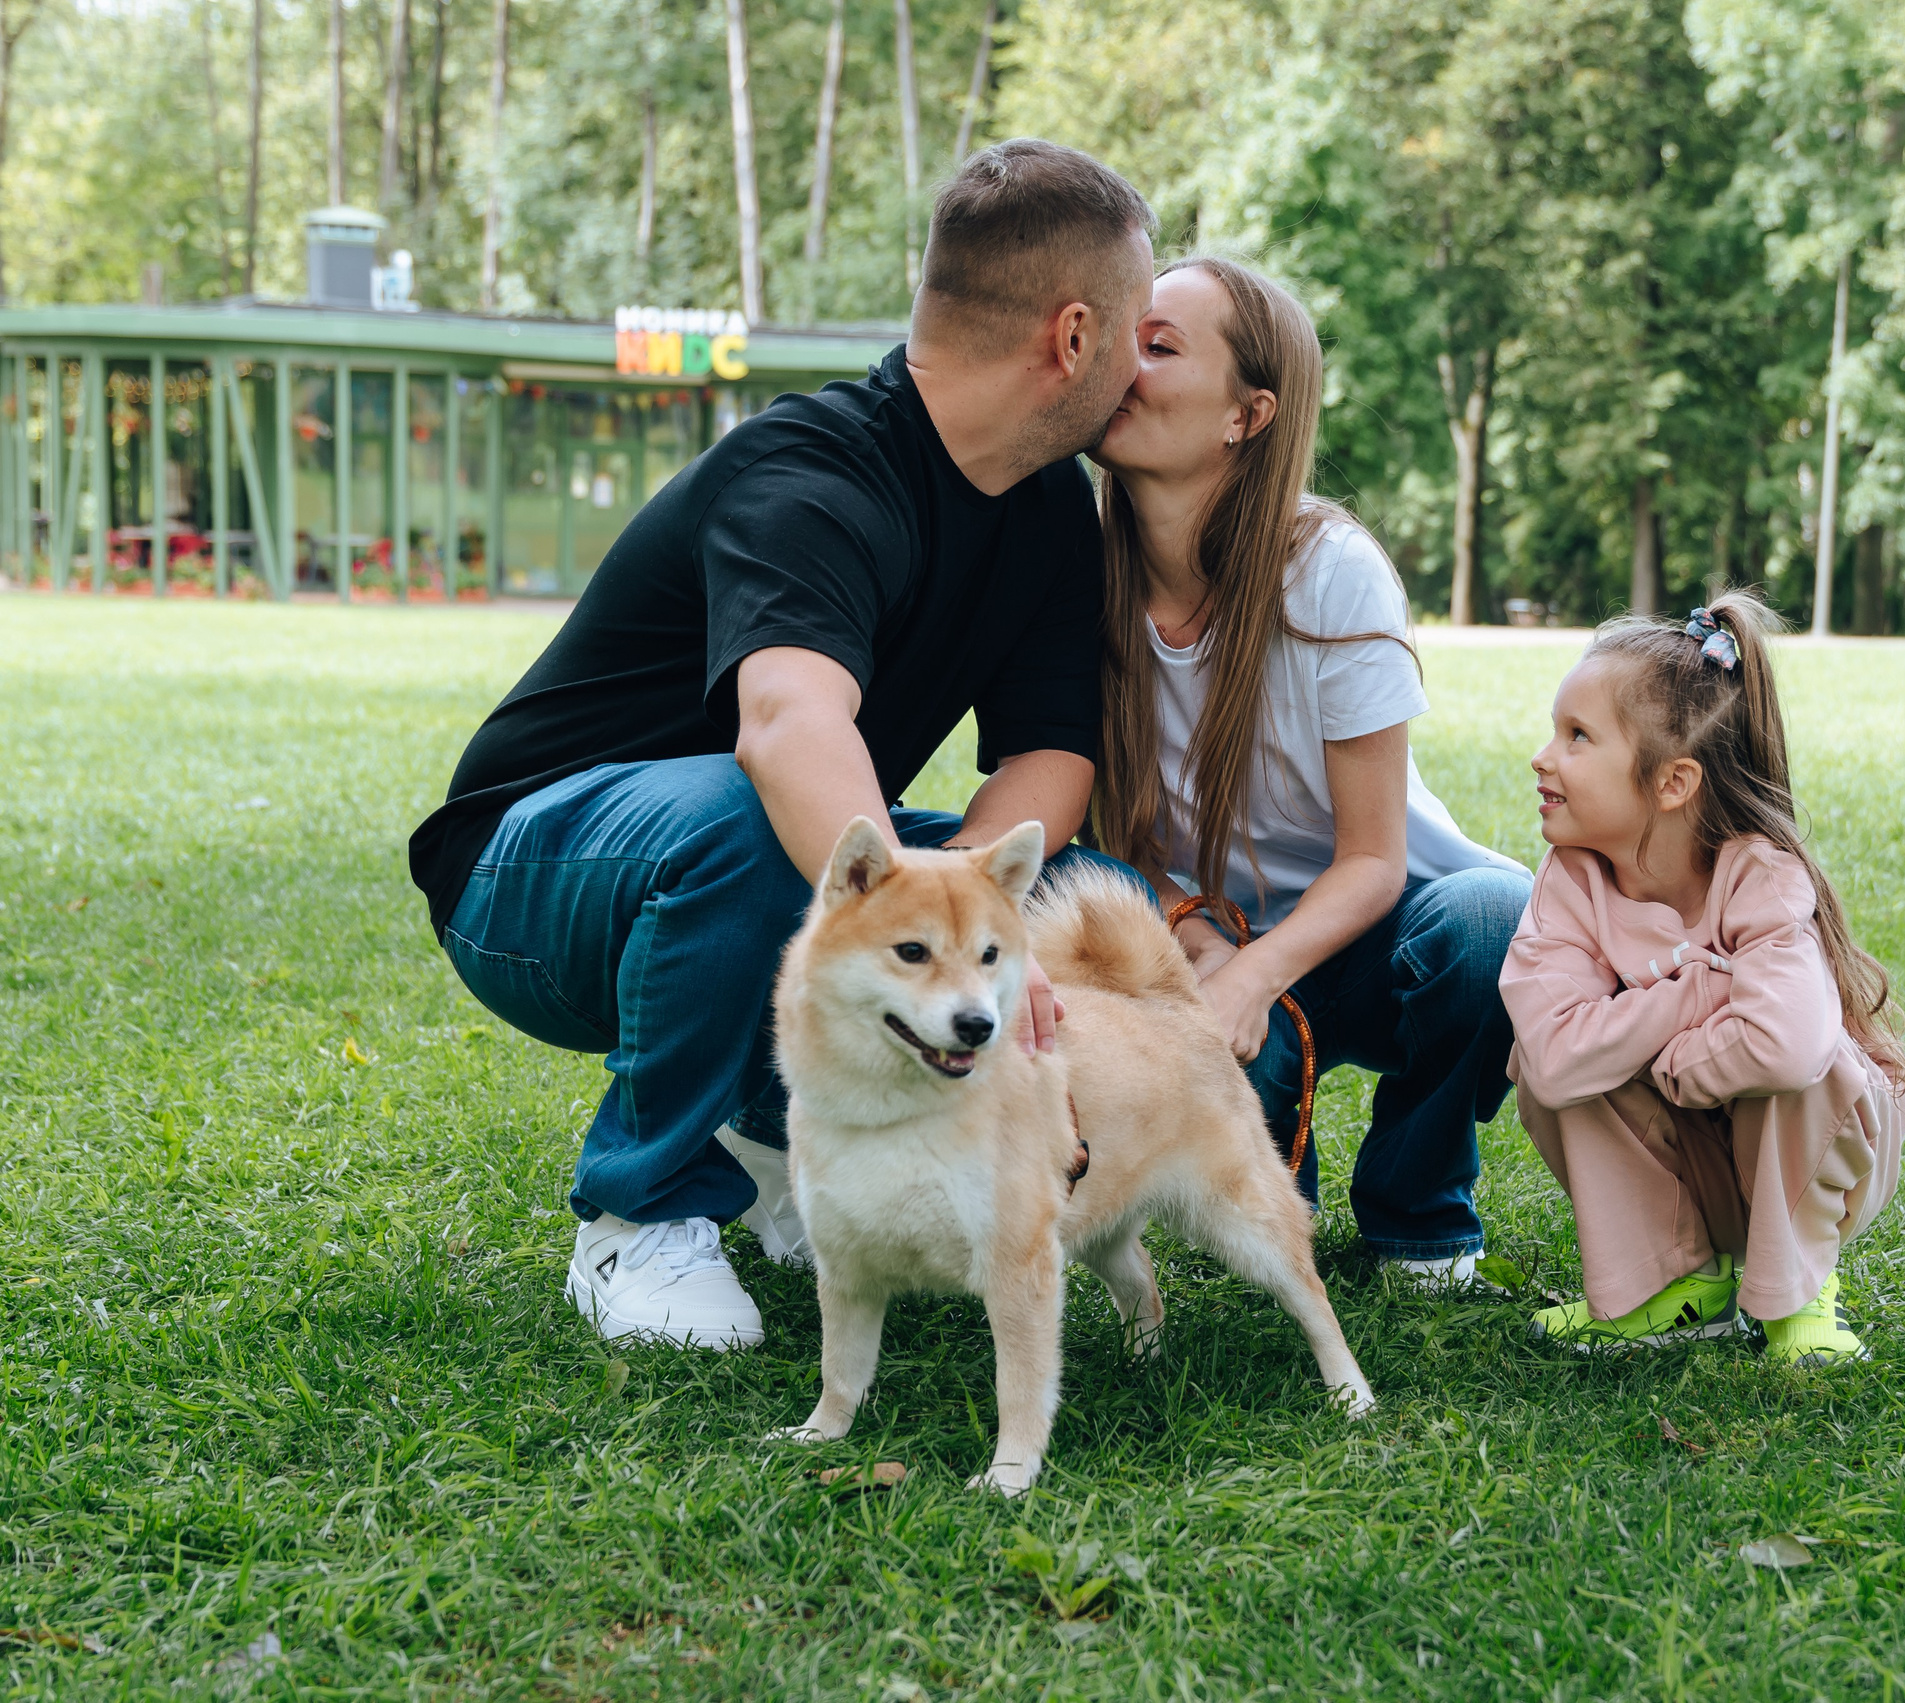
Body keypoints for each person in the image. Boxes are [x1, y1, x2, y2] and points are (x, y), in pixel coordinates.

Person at [405, 141, 1159, 1350]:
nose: (1140, 362)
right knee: (755, 820)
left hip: (744, 860)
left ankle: (773, 1139)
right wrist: (938, 943)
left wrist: (980, 940)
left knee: (1091, 889)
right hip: (528, 880)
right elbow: (786, 725)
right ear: (1073, 338)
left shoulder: (1048, 505)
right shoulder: (808, 470)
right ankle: (635, 1212)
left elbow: (1051, 750)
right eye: (1139, 328)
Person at [1083, 257, 1530, 1285]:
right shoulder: (1074, 570)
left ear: (1247, 414)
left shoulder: (1328, 568)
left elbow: (1374, 861)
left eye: (1158, 347)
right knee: (1243, 1232)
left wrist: (1250, 977)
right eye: (1121, 340)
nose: (1123, 368)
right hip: (1198, 930)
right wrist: (1194, 941)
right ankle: (1259, 1164)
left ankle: (1419, 1207)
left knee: (1490, 916)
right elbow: (1099, 841)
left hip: (1377, 936)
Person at [1498, 599, 1905, 1361]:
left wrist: (1664, 1058)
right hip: (1694, 1146)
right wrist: (1698, 992)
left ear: (1672, 782)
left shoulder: (1759, 873)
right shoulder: (1568, 880)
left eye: (1577, 737)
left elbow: (1789, 1047)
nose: (1543, 755)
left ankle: (1799, 1290)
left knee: (1812, 1063)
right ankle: (1675, 1285)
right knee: (1541, 1067)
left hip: (1810, 1151)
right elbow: (1555, 1058)